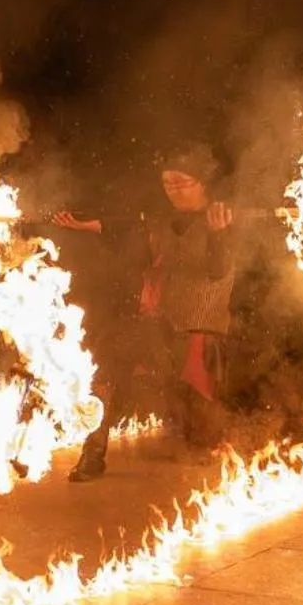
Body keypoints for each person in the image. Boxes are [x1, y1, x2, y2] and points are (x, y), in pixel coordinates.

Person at [50, 145, 236, 477]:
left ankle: (201, 435)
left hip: (200, 331)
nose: (174, 189)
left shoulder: (227, 220)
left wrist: (218, 234)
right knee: (105, 362)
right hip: (154, 328)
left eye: (182, 181)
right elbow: (119, 228)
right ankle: (93, 452)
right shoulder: (160, 223)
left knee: (200, 444)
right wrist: (83, 225)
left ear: (202, 184)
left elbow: (218, 269)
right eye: (168, 183)